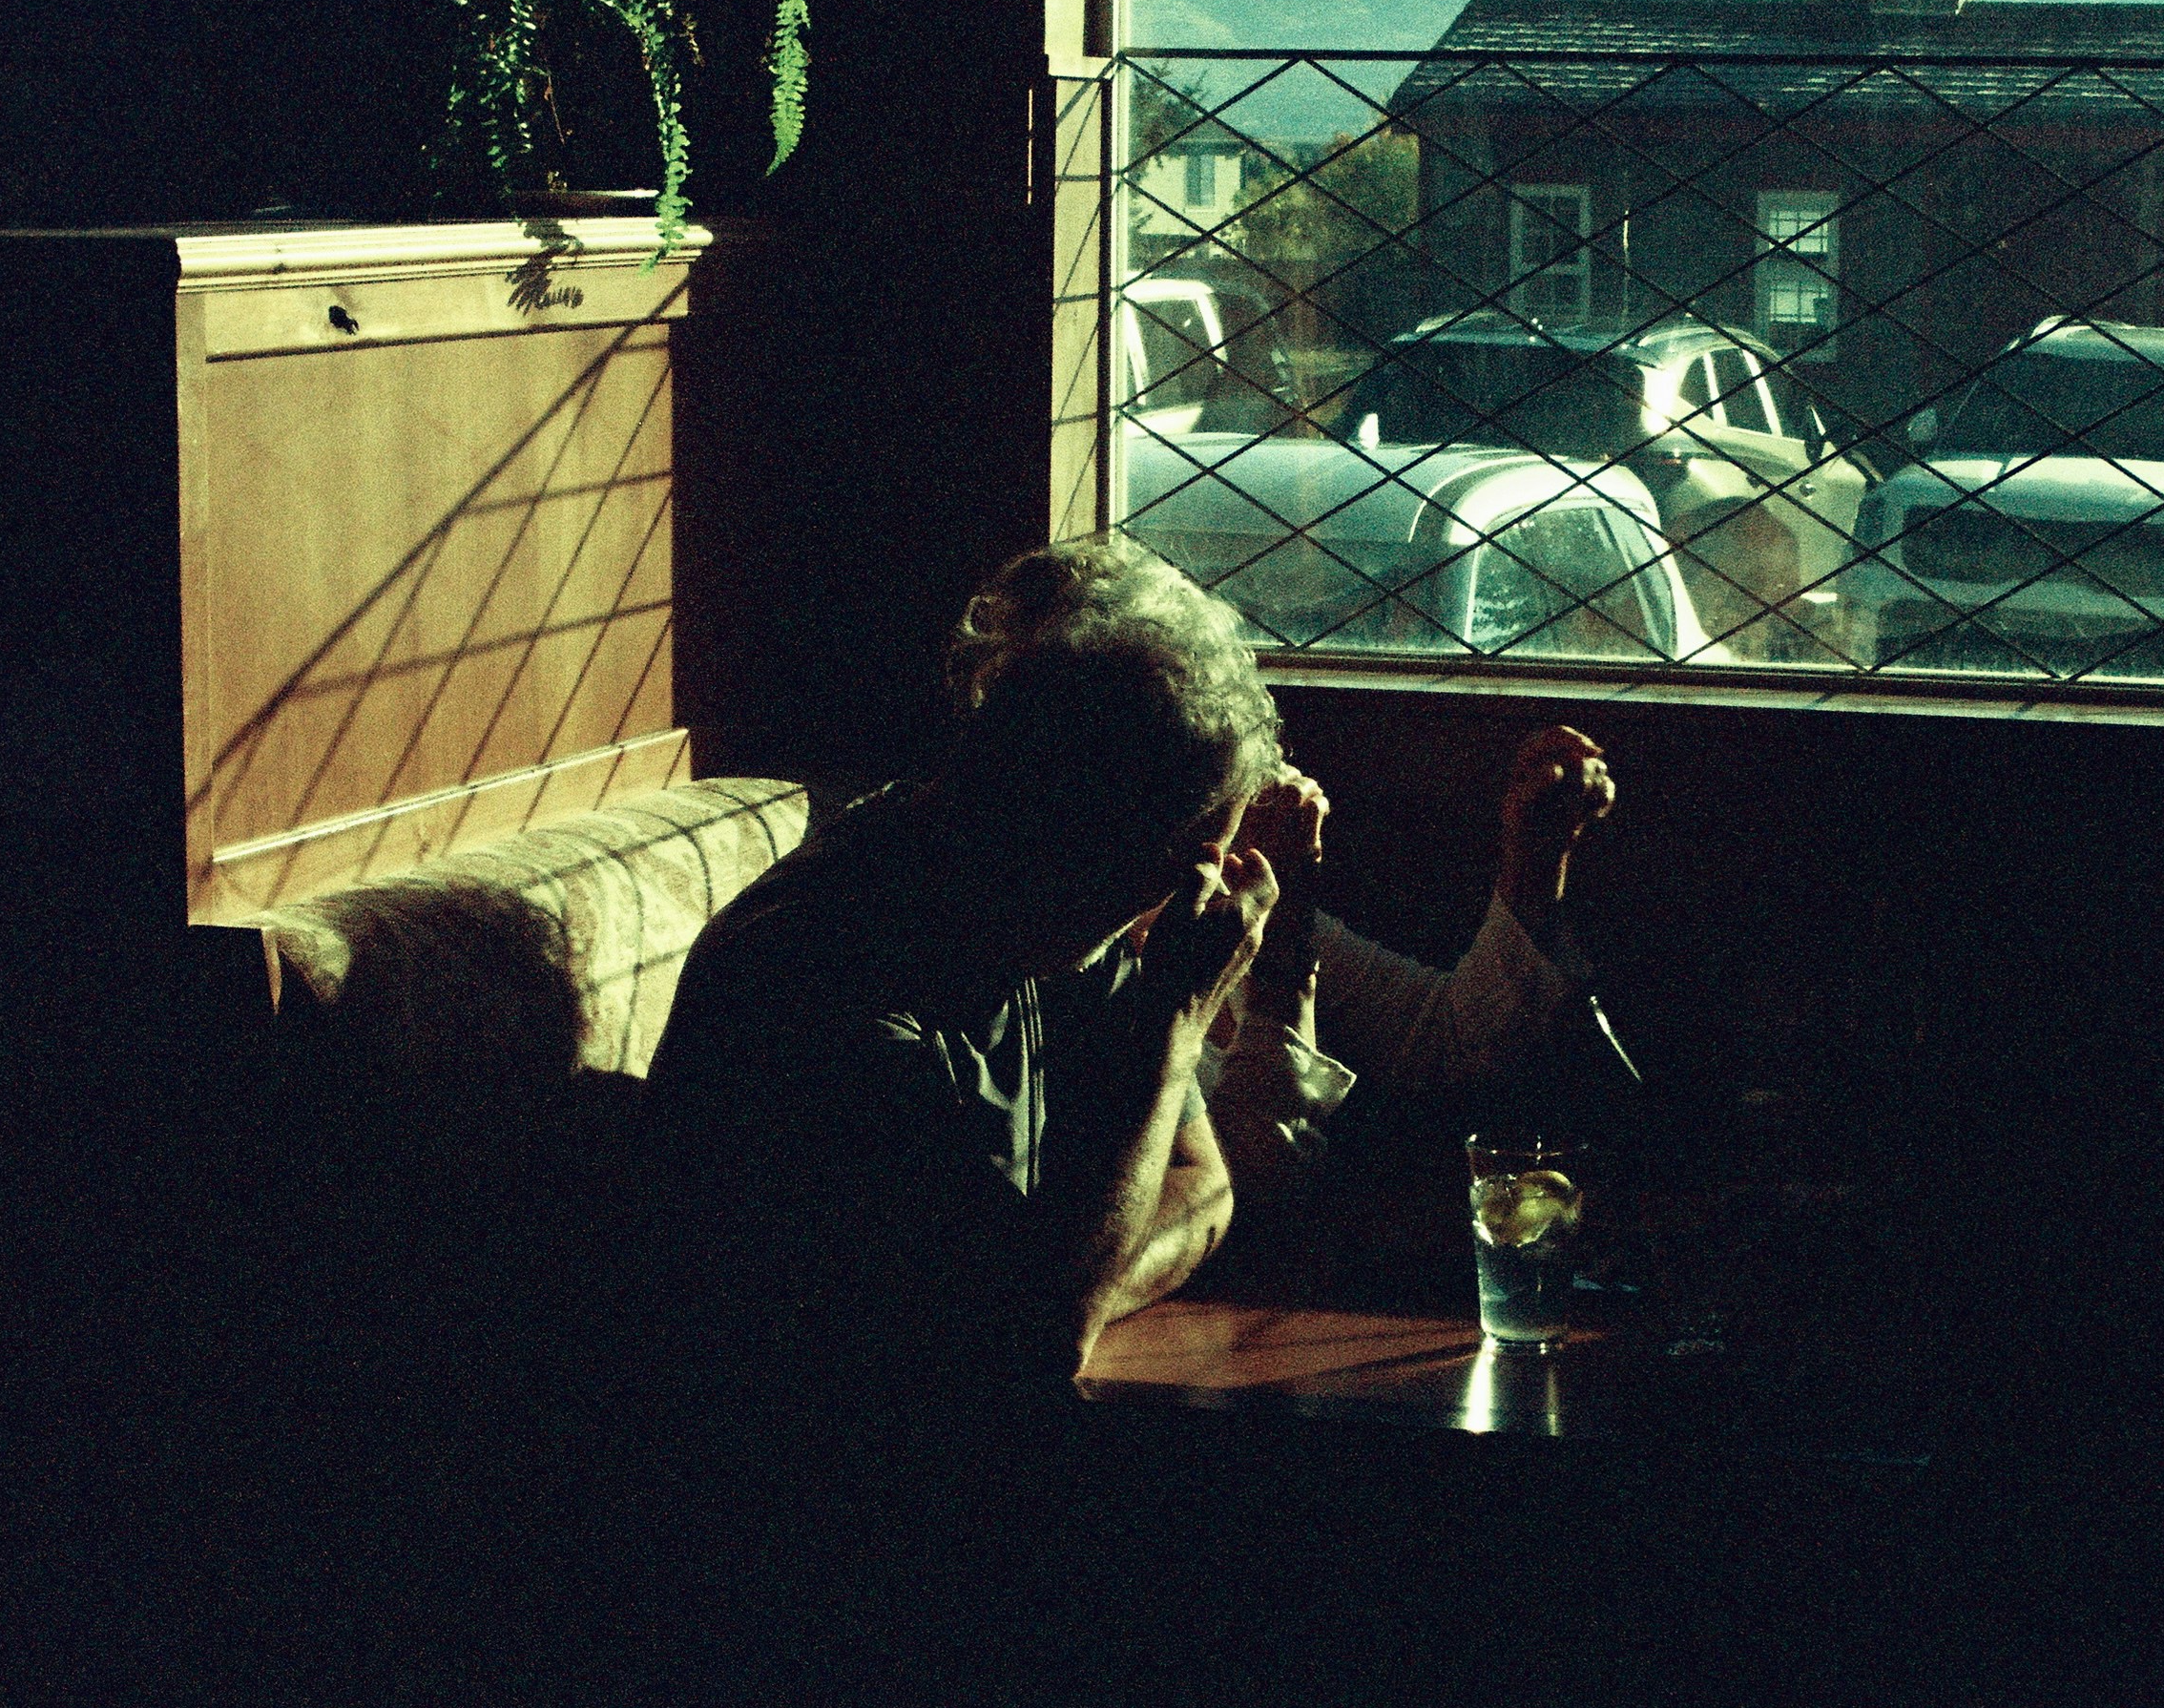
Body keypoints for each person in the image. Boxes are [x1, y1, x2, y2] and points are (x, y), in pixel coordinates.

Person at [644, 535, 1282, 1387]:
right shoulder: (816, 988)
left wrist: (1077, 1287)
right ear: (1101, 828)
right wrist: (1174, 1022)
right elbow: (1035, 1343)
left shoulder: (1049, 902)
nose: (1193, 884)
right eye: (1193, 853)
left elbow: (1202, 1187)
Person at [1197, 723, 1623, 1203]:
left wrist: (1536, 850)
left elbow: (1451, 1038)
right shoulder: (1115, 969)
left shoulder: (1231, 905)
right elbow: (1250, 1192)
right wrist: (1285, 925)